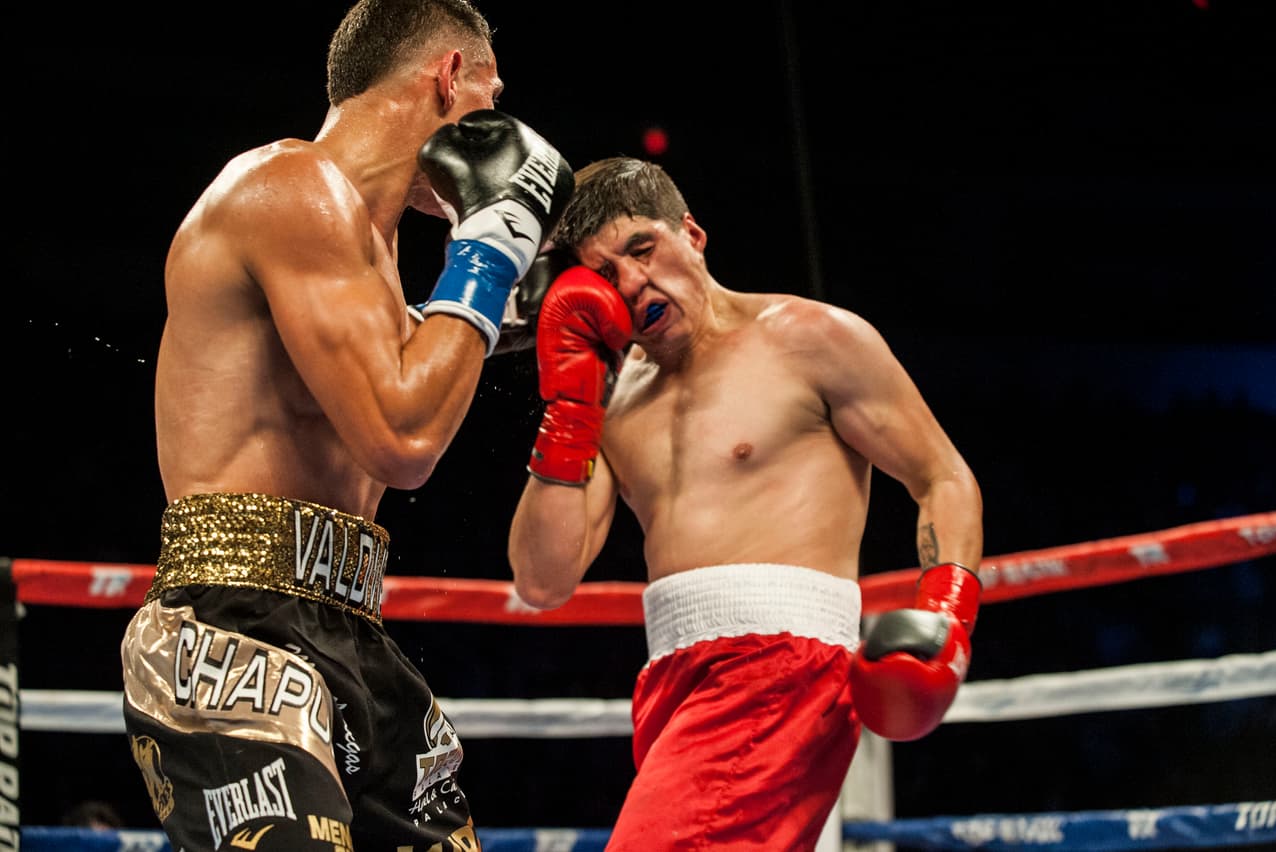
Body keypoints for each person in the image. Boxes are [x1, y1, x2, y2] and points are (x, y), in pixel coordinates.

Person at [119, 2, 572, 850]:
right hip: (233, 631)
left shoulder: (373, 253)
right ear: (449, 78)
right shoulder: (290, 187)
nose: (503, 125)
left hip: (350, 628)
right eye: (492, 94)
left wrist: (531, 313)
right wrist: (493, 245)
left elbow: (414, 378)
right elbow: (403, 440)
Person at [507, 157, 984, 849]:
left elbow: (943, 477)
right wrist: (570, 404)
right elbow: (542, 579)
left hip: (780, 665)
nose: (633, 282)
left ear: (692, 235)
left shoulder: (810, 338)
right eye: (606, 273)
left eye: (643, 248)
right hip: (670, 678)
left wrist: (948, 616)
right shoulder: (610, 396)